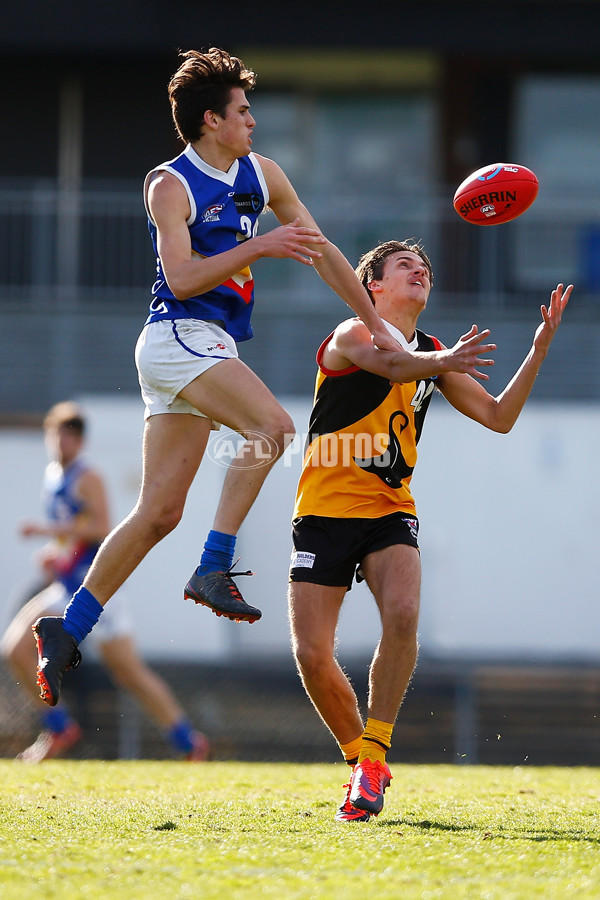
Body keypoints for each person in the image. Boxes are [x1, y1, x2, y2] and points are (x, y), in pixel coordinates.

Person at [32, 46, 403, 709]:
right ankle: (214, 565)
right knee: (273, 427)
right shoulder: (168, 184)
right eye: (243, 111)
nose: (253, 122)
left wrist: (372, 318)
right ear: (211, 120)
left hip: (202, 346)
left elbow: (319, 250)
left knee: (157, 513)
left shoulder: (262, 175)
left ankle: (67, 626)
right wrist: (258, 245)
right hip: (178, 335)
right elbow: (180, 278)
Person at [288, 239, 571, 822]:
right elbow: (392, 364)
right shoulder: (352, 334)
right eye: (405, 266)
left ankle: (375, 752)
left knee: (404, 613)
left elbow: (499, 417)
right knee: (313, 655)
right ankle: (361, 763)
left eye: (425, 267)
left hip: (391, 508)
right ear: (375, 288)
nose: (421, 271)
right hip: (323, 512)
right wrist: (443, 364)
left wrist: (538, 351)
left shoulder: (435, 352)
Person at [1, 401, 210, 762]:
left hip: (95, 590)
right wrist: (56, 552)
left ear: (80, 441)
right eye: (56, 434)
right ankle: (59, 727)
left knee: (130, 673)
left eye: (69, 436)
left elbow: (102, 528)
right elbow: (75, 534)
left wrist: (46, 531)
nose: (61, 443)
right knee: (15, 648)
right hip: (66, 586)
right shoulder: (54, 474)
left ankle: (188, 741)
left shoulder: (88, 476)